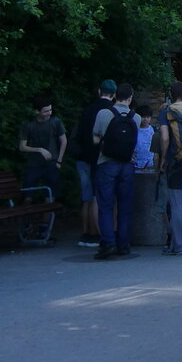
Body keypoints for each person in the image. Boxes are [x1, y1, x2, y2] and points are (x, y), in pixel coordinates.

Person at [92, 83, 141, 259]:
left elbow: (95, 139)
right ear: (130, 97)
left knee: (105, 205)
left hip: (107, 163)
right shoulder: (136, 117)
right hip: (127, 165)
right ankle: (124, 244)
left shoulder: (104, 114)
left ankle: (108, 243)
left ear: (114, 96)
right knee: (125, 207)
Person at [71, 79, 116, 247]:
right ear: (113, 95)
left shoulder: (86, 110)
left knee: (86, 198)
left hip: (83, 158)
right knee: (99, 198)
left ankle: (86, 233)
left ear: (99, 91)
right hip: (100, 159)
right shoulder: (111, 112)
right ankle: (98, 234)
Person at [19, 95, 67, 235]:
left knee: (50, 195)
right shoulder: (29, 125)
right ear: (37, 111)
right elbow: (22, 146)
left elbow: (63, 141)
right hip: (33, 164)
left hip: (51, 164)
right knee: (28, 196)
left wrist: (59, 160)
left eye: (50, 110)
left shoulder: (55, 122)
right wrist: (38, 150)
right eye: (45, 111)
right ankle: (26, 224)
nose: (49, 113)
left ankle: (45, 226)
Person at [157, 81, 182, 256]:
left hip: (176, 161)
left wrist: (163, 158)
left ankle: (179, 245)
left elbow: (164, 138)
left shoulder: (166, 111)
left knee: (177, 205)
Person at [132, 104, 156, 171]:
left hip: (150, 164)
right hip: (135, 163)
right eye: (143, 117)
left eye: (148, 117)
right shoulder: (134, 130)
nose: (145, 119)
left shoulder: (153, 130)